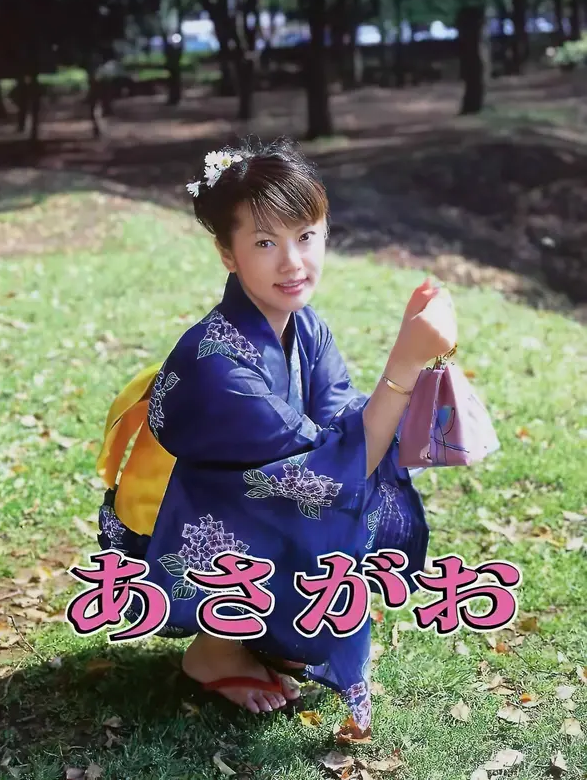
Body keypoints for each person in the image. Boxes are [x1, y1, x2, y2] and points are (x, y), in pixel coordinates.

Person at [97, 136, 457, 729]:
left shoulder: (304, 325)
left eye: (306, 236)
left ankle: (265, 632)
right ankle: (214, 651)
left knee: (363, 471)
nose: (293, 263)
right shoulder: (219, 366)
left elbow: (343, 419)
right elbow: (330, 468)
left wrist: (413, 392)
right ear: (227, 252)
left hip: (235, 497)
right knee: (328, 490)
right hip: (178, 519)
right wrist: (403, 364)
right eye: (265, 242)